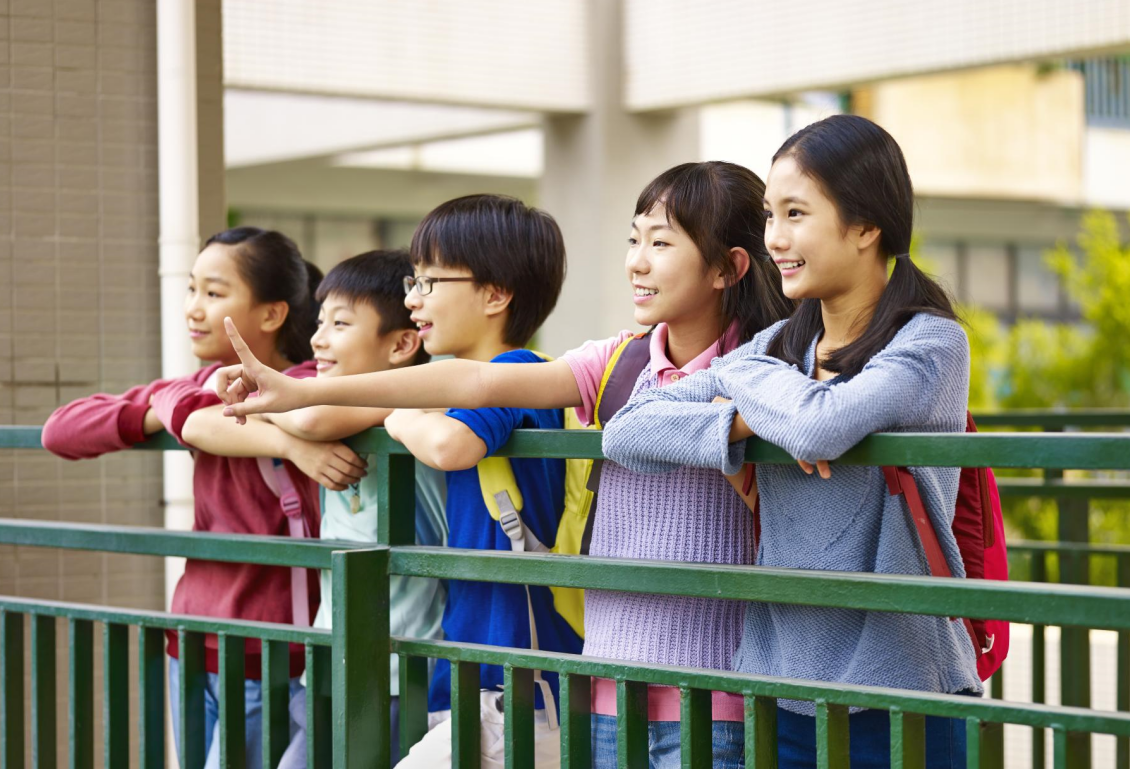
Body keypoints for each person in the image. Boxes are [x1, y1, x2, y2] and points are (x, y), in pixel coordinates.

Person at [213, 163, 794, 767]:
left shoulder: (767, 366)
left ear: (728, 267)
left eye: (662, 242)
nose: (637, 261)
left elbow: (462, 422)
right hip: (604, 689)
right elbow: (477, 378)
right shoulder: (617, 360)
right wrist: (296, 391)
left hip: (716, 697)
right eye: (633, 239)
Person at [602, 115, 980, 768]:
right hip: (778, 683)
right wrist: (741, 421)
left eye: (796, 213)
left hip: (898, 683)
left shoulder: (929, 342)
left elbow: (817, 426)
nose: (776, 238)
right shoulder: (775, 349)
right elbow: (626, 429)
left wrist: (749, 386)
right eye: (771, 216)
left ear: (867, 226)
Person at [41, 228, 361, 768]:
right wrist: (175, 404)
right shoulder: (198, 388)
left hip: (269, 648)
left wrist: (185, 405)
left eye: (214, 294)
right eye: (191, 289)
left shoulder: (311, 384)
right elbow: (60, 431)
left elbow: (274, 413)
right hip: (191, 639)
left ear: (272, 314)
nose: (193, 308)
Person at [177, 250, 448, 767]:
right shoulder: (320, 397)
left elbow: (314, 418)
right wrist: (287, 431)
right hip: (332, 660)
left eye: (340, 324)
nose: (319, 339)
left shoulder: (413, 402)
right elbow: (196, 424)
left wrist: (272, 402)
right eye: (320, 322)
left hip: (396, 670)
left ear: (401, 345)